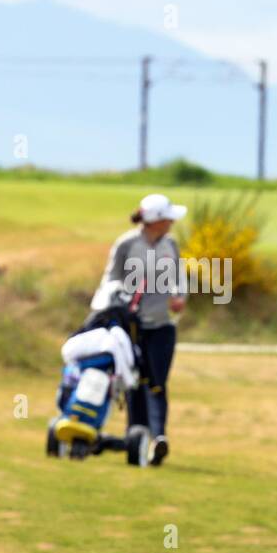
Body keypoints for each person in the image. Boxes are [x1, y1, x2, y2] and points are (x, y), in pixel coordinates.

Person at [97, 193, 188, 466]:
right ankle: (134, 442)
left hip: (161, 327)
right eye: (168, 217)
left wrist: (179, 296)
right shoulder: (127, 244)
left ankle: (159, 437)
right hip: (131, 328)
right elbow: (110, 278)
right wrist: (119, 298)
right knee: (133, 383)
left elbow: (179, 278)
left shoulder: (170, 245)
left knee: (157, 382)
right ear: (156, 220)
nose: (172, 222)